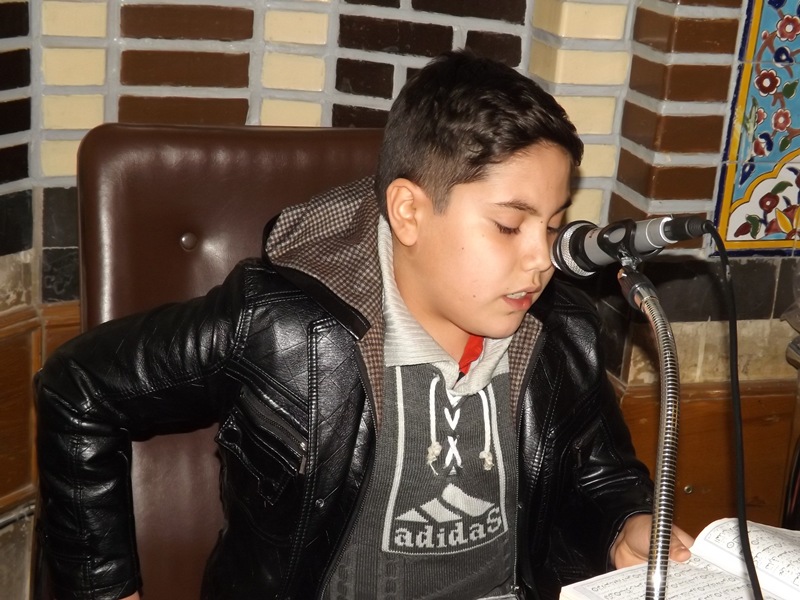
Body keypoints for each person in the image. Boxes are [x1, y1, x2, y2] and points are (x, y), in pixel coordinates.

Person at [35, 49, 693, 600]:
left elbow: (598, 472)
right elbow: (79, 387)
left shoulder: (561, 329)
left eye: (552, 225)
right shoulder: (281, 326)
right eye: (507, 225)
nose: (541, 259)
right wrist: (105, 591)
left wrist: (624, 523)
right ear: (408, 212)